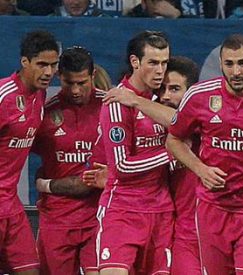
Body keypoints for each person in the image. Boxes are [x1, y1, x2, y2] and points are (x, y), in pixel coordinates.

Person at [166, 34, 243, 275]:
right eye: (229, 64)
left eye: (242, 63)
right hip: (213, 208)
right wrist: (201, 169)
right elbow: (174, 140)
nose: (236, 72)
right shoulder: (199, 96)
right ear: (220, 64)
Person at [100, 56, 201, 274]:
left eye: (174, 89)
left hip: (213, 231)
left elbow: (186, 120)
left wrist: (135, 100)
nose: (165, 96)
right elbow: (122, 165)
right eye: (163, 88)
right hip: (178, 234)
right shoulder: (159, 127)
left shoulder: (207, 120)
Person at [96, 30, 174, 275]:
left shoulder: (162, 100)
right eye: (152, 63)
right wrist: (172, 153)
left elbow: (187, 124)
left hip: (161, 212)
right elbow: (122, 166)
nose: (160, 70)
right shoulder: (117, 103)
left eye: (164, 63)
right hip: (123, 211)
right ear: (135, 62)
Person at [32, 46, 103, 275]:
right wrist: (44, 183)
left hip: (98, 216)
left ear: (92, 76)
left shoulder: (111, 107)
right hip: (57, 219)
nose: (75, 90)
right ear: (59, 77)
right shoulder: (43, 113)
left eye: (82, 83)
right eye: (68, 82)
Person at [0, 30, 59, 275]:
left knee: (30, 270)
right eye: (42, 65)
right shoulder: (3, 97)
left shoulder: (39, 95)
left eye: (54, 65)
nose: (48, 72)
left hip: (10, 203)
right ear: (25, 62)